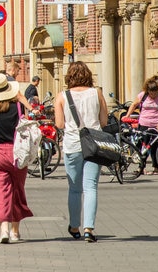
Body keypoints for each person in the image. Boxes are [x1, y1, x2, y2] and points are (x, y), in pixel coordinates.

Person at [54, 61, 108, 243]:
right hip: (94, 144)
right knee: (91, 187)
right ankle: (89, 228)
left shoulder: (62, 96)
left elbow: (59, 124)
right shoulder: (97, 93)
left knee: (75, 189)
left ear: (69, 76)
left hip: (72, 145)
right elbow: (104, 121)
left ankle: (74, 226)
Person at [0, 72, 33, 243]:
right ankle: (15, 232)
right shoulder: (16, 107)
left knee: (0, 193)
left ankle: (3, 230)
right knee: (17, 190)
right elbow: (26, 122)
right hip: (16, 153)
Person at [123, 76, 158, 174]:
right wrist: (127, 115)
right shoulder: (142, 95)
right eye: (151, 93)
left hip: (157, 124)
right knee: (142, 145)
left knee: (156, 146)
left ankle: (156, 167)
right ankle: (141, 167)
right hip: (144, 123)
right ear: (148, 91)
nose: (153, 94)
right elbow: (134, 104)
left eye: (155, 92)